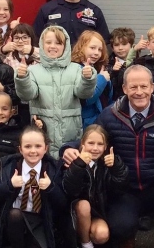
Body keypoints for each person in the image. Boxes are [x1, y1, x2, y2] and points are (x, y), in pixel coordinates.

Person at [62, 65, 154, 248]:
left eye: (144, 86)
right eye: (133, 86)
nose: (139, 91)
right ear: (124, 88)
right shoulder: (110, 115)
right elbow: (91, 138)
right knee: (119, 228)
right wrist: (67, 149)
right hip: (125, 189)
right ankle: (127, 235)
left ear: (152, 87)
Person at [0, 126, 67, 248]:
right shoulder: (9, 166)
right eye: (28, 146)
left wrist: (51, 188)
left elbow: (63, 204)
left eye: (38, 146)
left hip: (39, 221)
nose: (33, 151)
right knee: (15, 213)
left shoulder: (53, 168)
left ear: (45, 148)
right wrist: (9, 185)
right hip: (15, 218)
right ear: (20, 149)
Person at [15, 26, 97, 158]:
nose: (53, 46)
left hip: (71, 134)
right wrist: (22, 78)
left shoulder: (75, 69)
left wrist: (87, 79)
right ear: (41, 44)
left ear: (66, 46)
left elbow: (84, 94)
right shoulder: (33, 70)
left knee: (68, 169)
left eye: (58, 43)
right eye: (48, 42)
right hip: (42, 134)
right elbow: (27, 95)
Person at [62, 125, 128, 248]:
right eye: (91, 143)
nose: (95, 148)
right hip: (76, 212)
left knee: (101, 235)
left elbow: (120, 189)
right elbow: (70, 189)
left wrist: (116, 168)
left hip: (97, 212)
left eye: (100, 144)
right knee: (84, 204)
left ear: (106, 147)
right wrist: (78, 165)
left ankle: (86, 238)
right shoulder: (74, 161)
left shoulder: (108, 162)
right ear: (82, 144)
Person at [71, 30, 112, 127]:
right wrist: (102, 78)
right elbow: (87, 99)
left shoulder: (99, 68)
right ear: (81, 47)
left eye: (100, 49)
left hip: (102, 121)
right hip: (86, 124)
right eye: (92, 48)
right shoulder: (75, 68)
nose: (97, 53)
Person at [107, 27, 136, 103]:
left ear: (132, 45)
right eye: (116, 45)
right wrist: (114, 72)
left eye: (124, 44)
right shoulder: (108, 64)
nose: (120, 48)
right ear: (112, 48)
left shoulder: (139, 62)